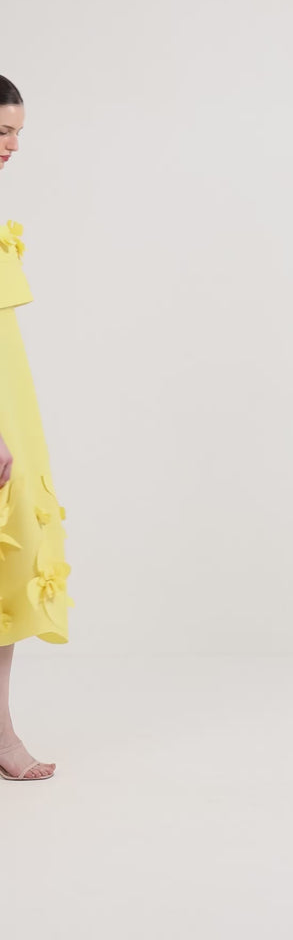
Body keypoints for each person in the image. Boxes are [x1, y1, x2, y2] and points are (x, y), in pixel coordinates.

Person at [0, 75, 73, 780]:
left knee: (10, 564)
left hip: (12, 403)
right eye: (1, 131)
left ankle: (0, 730)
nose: (12, 146)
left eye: (18, 132)